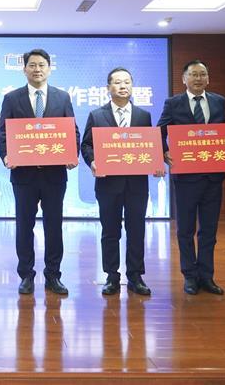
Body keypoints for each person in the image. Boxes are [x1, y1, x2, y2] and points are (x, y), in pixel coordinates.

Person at [0, 48, 79, 296]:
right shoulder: (12, 98)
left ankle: (53, 275)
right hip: (24, 176)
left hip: (54, 175)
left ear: (49, 69)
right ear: (24, 69)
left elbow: (72, 131)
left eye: (42, 65)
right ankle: (26, 275)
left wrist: (72, 154)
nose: (37, 69)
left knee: (54, 226)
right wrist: (7, 156)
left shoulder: (62, 97)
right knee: (24, 226)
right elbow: (3, 132)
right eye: (32, 65)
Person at [80, 67, 164, 296]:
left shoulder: (143, 116)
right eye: (117, 82)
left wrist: (157, 163)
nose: (123, 86)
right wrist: (93, 161)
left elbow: (150, 145)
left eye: (127, 82)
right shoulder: (97, 115)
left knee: (136, 230)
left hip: (137, 184)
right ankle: (111, 276)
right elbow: (86, 144)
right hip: (108, 184)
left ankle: (135, 276)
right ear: (108, 87)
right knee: (110, 231)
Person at [157, 60, 225, 296]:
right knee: (185, 230)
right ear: (184, 79)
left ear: (208, 78)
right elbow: (159, 132)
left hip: (213, 178)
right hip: (186, 178)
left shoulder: (218, 101)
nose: (198, 79)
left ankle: (207, 276)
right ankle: (189, 275)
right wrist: (164, 152)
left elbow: (224, 134)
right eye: (193, 74)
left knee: (209, 230)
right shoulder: (173, 103)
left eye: (202, 74)